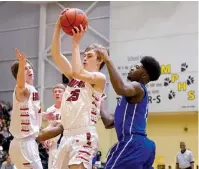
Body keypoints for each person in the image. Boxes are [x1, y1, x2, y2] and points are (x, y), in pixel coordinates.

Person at [50, 12, 107, 169]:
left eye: (89, 56)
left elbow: (78, 72)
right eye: (84, 55)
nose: (84, 58)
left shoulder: (99, 78)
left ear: (100, 60)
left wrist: (75, 44)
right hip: (67, 135)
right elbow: (55, 55)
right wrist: (57, 28)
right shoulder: (74, 77)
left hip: (84, 134)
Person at [99, 51, 161, 169]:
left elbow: (121, 88)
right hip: (142, 145)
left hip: (133, 142)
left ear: (144, 75)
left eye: (137, 67)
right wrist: (99, 102)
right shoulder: (129, 102)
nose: (132, 68)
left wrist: (107, 60)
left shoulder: (138, 87)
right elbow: (108, 123)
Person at [9, 48, 43, 169]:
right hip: (24, 143)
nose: (29, 70)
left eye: (30, 67)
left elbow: (32, 114)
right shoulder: (22, 89)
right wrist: (21, 62)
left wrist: (44, 115)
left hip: (27, 142)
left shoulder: (33, 91)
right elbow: (21, 85)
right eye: (25, 68)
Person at [42, 84, 65, 169]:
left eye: (59, 91)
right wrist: (47, 138)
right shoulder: (50, 110)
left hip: (66, 140)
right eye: (55, 92)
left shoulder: (68, 108)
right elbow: (50, 126)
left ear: (65, 93)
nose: (57, 93)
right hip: (54, 143)